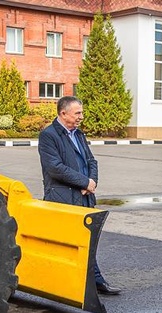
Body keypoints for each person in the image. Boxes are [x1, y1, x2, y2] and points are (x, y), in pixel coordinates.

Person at [38, 95, 122, 295]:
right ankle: (68, 284)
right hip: (63, 199)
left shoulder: (79, 134)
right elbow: (55, 168)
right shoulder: (49, 135)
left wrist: (91, 183)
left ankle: (93, 282)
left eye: (81, 112)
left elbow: (91, 161)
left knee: (87, 241)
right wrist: (84, 182)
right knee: (64, 244)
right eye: (77, 113)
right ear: (63, 113)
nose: (81, 117)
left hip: (84, 197)